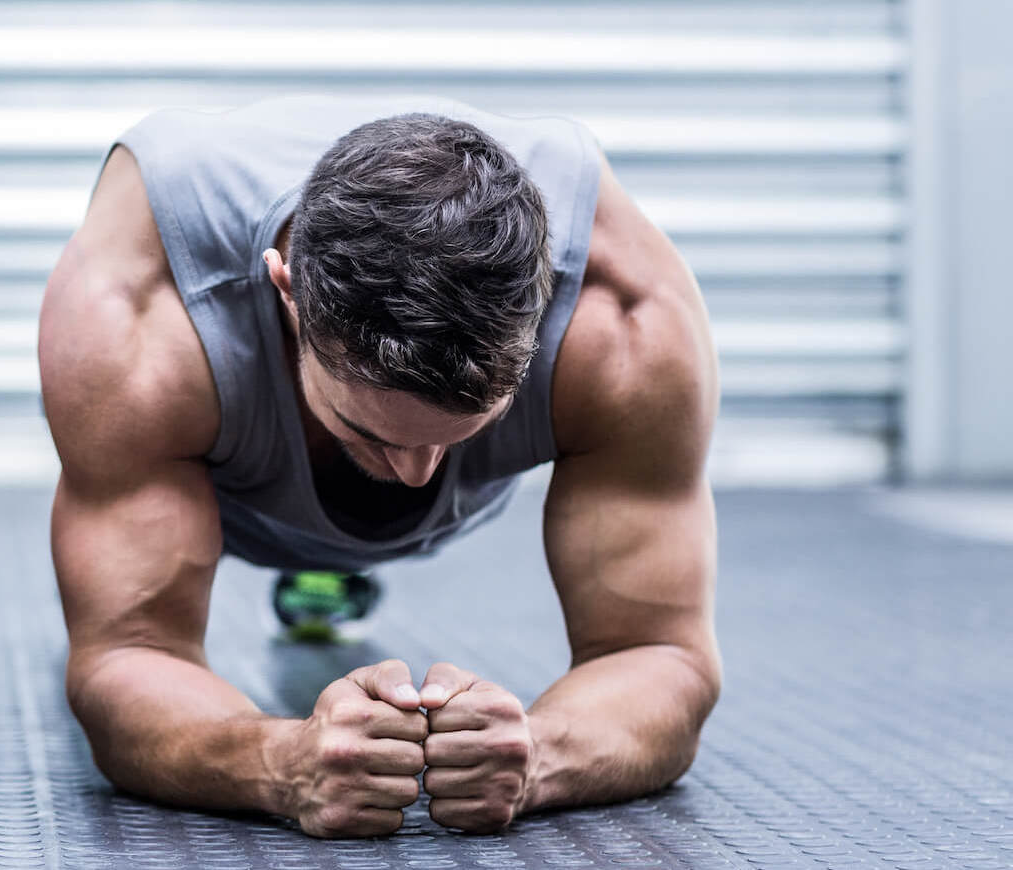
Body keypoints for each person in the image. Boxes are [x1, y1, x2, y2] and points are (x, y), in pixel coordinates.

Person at [39, 96, 721, 837]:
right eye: (370, 431)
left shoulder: (622, 322)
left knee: (389, 468)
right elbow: (126, 658)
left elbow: (662, 656)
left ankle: (347, 496)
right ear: (287, 289)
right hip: (237, 482)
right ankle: (316, 547)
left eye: (459, 432)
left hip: (349, 432)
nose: (418, 476)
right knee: (176, 475)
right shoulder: (141, 319)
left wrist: (543, 753)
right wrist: (280, 761)